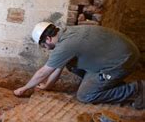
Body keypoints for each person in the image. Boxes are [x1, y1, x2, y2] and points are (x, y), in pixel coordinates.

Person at [13, 22, 144, 109]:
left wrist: (24, 88)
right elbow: (58, 67)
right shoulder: (67, 32)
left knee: (85, 95)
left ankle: (137, 90)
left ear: (47, 39)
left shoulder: (65, 46)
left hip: (122, 61)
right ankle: (106, 83)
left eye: (43, 45)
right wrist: (48, 85)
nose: (46, 48)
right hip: (119, 53)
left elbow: (43, 72)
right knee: (71, 64)